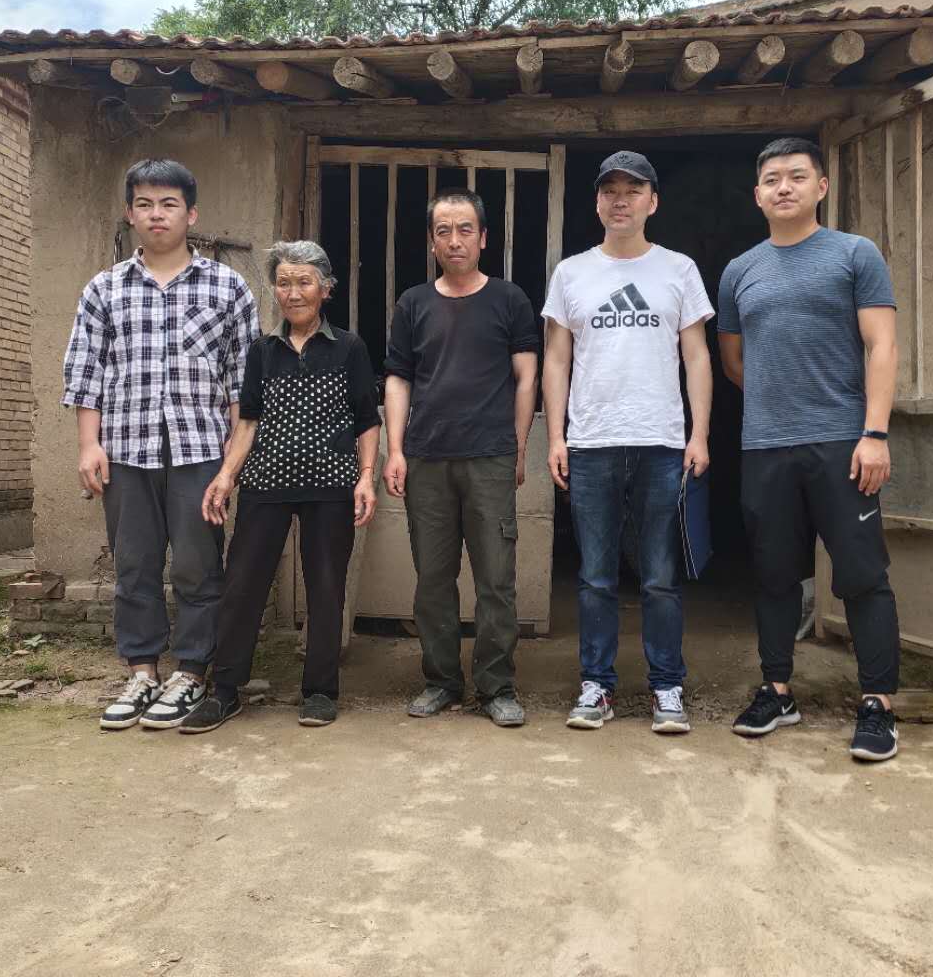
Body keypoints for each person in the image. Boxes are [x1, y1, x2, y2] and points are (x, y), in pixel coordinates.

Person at [717, 136, 902, 762]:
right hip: (765, 445)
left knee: (861, 574)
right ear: (757, 195)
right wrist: (781, 399)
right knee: (773, 573)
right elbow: (735, 361)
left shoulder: (854, 254)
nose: (784, 187)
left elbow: (882, 345)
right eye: (772, 179)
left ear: (821, 187)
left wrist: (874, 433)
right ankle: (777, 691)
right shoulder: (739, 270)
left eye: (797, 176)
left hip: (843, 443)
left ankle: (877, 704)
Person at [62, 158, 259, 731]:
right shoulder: (104, 289)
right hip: (126, 450)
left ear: (190, 214)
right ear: (130, 213)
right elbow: (87, 373)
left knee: (198, 567)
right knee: (135, 566)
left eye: (169, 204)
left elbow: (243, 384)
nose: (157, 214)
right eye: (145, 204)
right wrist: (88, 445)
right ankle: (142, 671)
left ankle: (191, 672)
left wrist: (231, 464)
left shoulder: (227, 287)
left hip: (201, 453)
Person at [542, 151, 714, 734]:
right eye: (610, 190)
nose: (621, 200)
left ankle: (667, 686)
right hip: (591, 442)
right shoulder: (571, 273)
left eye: (633, 190)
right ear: (596, 202)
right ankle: (597, 685)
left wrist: (699, 434)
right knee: (595, 576)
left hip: (661, 441)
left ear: (652, 202)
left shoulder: (679, 269)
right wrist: (557, 435)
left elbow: (697, 356)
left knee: (660, 575)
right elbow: (556, 359)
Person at [177, 242, 381, 733]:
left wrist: (366, 477)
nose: (293, 292)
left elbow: (367, 421)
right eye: (284, 283)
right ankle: (225, 690)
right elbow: (247, 422)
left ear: (325, 289)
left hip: (330, 484)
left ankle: (320, 691)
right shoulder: (262, 351)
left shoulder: (349, 348)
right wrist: (226, 475)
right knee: (243, 584)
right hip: (266, 481)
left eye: (304, 282)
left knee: (326, 587)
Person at [383, 188, 540, 727]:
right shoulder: (413, 303)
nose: (455, 240)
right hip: (426, 458)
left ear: (484, 238)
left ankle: (496, 686)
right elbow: (398, 379)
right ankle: (442, 681)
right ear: (432, 241)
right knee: (432, 579)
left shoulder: (509, 300)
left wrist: (517, 447)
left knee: (496, 578)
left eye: (465, 229)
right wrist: (395, 450)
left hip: (489, 457)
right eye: (444, 231)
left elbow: (526, 379)